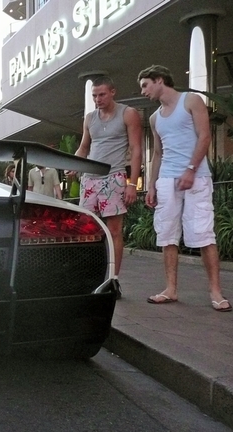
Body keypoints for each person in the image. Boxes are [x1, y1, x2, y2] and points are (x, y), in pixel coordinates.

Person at [137, 65, 230, 311]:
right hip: (167, 179)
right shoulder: (154, 117)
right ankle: (170, 289)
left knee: (203, 233)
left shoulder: (191, 100)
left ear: (159, 80)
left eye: (145, 85)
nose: (143, 91)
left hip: (196, 176)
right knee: (167, 233)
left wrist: (190, 169)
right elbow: (157, 153)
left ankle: (216, 292)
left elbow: (205, 137)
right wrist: (152, 186)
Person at [71, 75, 142, 298]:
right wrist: (73, 165)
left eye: (101, 94)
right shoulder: (90, 117)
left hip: (114, 177)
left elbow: (137, 149)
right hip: (90, 179)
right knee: (85, 231)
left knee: (114, 231)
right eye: (94, 95)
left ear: (112, 92)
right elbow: (84, 147)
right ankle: (89, 277)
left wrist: (132, 183)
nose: (98, 99)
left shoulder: (127, 113)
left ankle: (113, 279)